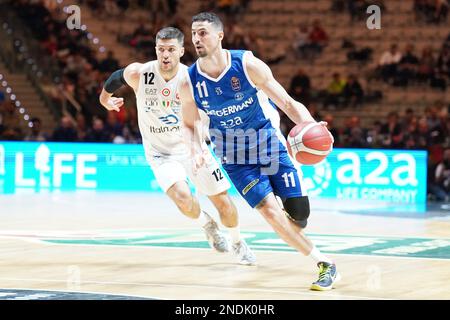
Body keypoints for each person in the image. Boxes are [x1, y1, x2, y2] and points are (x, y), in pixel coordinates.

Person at [180, 12, 340, 291]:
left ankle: (294, 228)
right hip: (235, 157)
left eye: (203, 32)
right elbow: (188, 123)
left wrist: (312, 126)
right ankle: (325, 264)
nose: (196, 38)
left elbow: (288, 103)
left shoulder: (247, 64)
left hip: (269, 146)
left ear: (220, 35)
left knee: (299, 217)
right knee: (269, 212)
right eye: (194, 33)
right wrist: (196, 149)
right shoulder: (190, 81)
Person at [99, 27, 256, 265]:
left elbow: (210, 112)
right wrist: (104, 100)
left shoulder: (192, 78)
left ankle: (237, 241)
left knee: (224, 204)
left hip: (192, 148)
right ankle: (207, 224)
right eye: (161, 49)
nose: (165, 54)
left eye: (171, 49)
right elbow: (114, 80)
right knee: (183, 199)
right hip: (160, 153)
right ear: (155, 50)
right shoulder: (139, 74)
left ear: (181, 51)